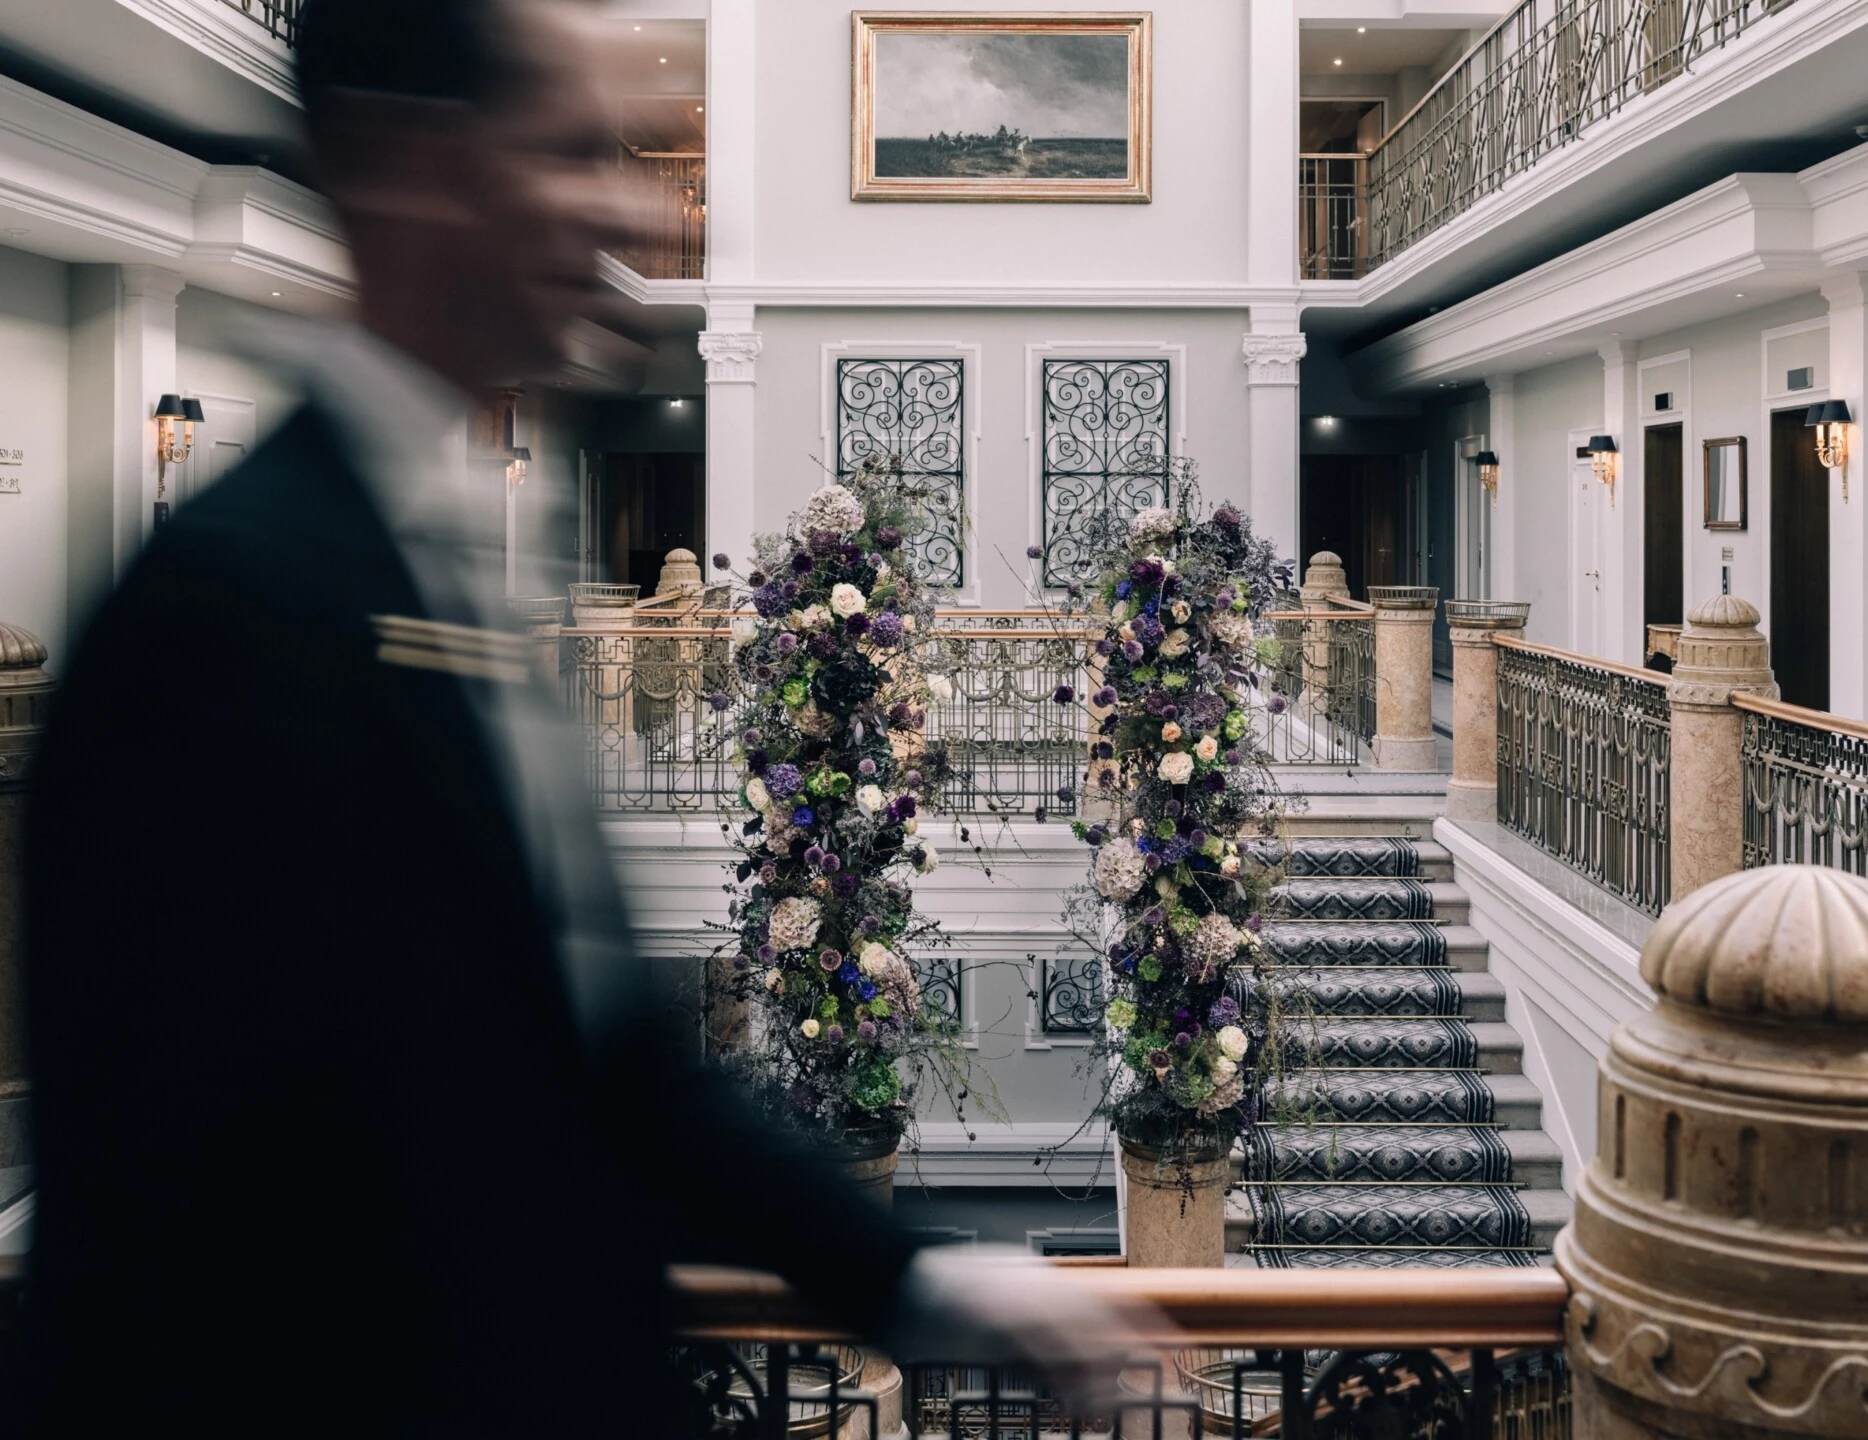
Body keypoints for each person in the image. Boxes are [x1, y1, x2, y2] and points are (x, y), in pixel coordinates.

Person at [21, 0, 1143, 1433]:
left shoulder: (447, 549)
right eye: (566, 151)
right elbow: (200, 1237)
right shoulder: (224, 617)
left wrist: (927, 1286)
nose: (625, 207)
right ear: (412, 166)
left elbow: (607, 1064)